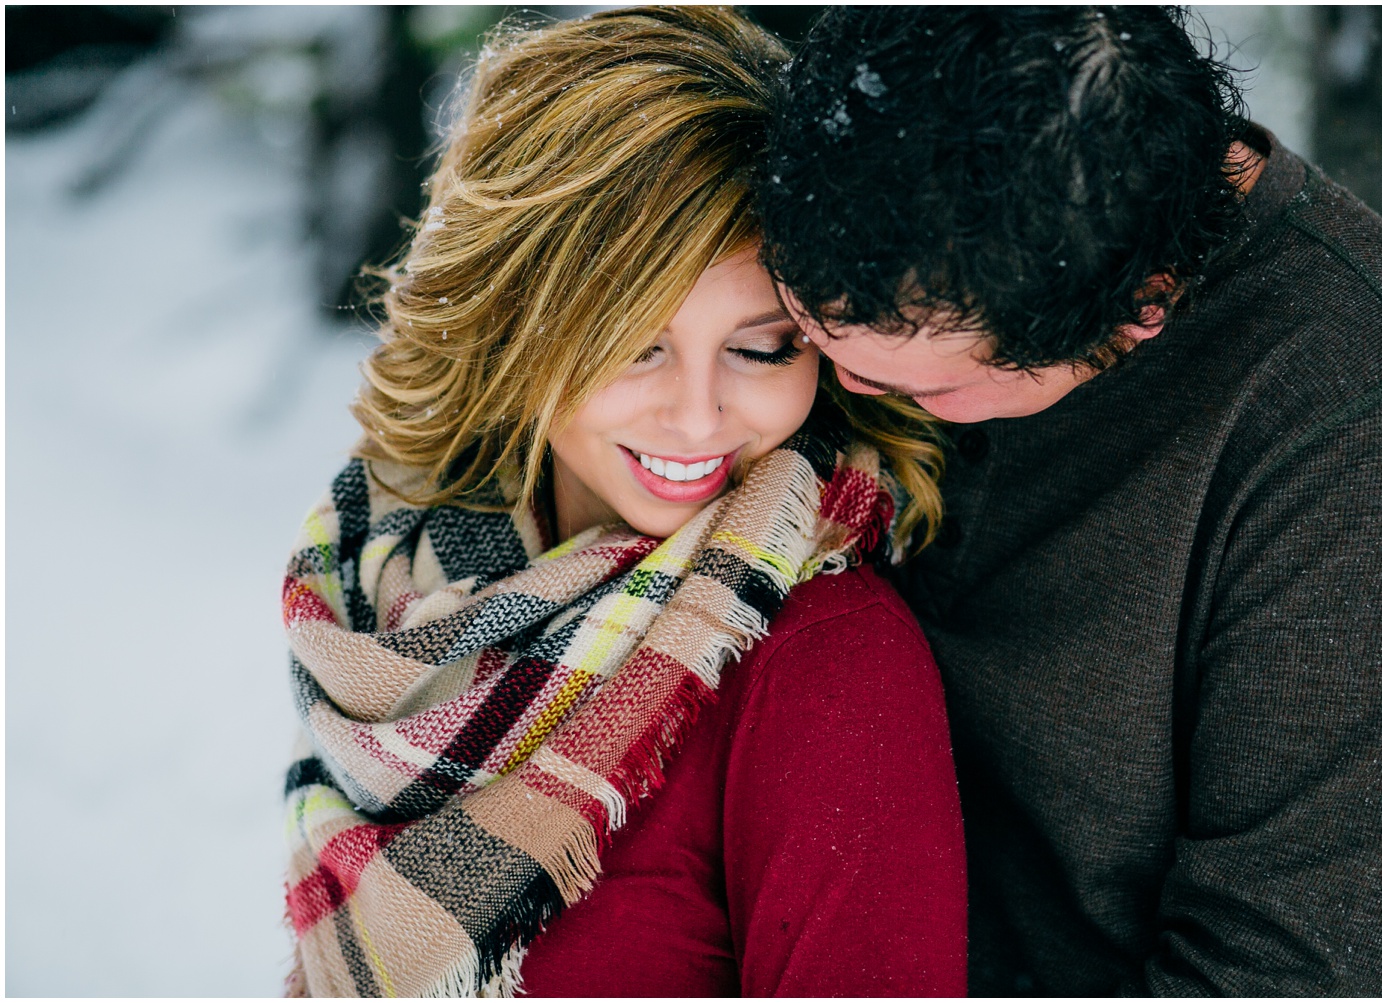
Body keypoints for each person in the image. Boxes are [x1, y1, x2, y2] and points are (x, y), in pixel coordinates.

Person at [757, 6, 1382, 997]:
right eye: (795, 342)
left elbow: (1283, 970)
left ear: (1139, 310)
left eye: (917, 390)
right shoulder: (883, 165)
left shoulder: (1370, 417)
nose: (837, 403)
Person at [279, 8, 967, 998]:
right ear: (510, 314)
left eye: (762, 345)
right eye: (634, 339)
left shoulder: (826, 664)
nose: (697, 415)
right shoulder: (394, 596)